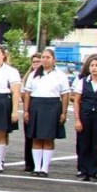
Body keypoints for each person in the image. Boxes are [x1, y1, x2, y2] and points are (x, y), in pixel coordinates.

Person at [22, 49, 70, 177]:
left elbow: (65, 95)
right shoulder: (34, 74)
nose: (45, 59)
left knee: (48, 138)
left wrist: (64, 113)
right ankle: (37, 167)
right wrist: (26, 110)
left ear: (54, 59)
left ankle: (44, 168)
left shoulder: (60, 75)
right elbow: (27, 93)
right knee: (36, 138)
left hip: (53, 106)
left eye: (48, 57)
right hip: (36, 105)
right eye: (43, 57)